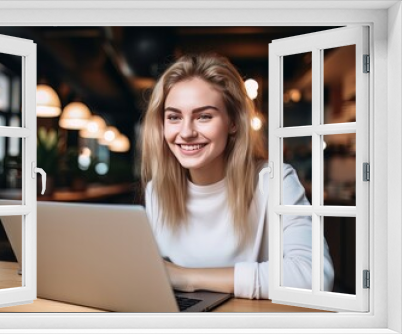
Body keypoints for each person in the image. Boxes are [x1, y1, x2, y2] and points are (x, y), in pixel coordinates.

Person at [140, 53, 334, 299]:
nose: (186, 132)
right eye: (174, 117)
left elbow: (314, 276)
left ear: (232, 122)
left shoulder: (274, 182)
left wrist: (186, 277)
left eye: (204, 116)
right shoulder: (157, 191)